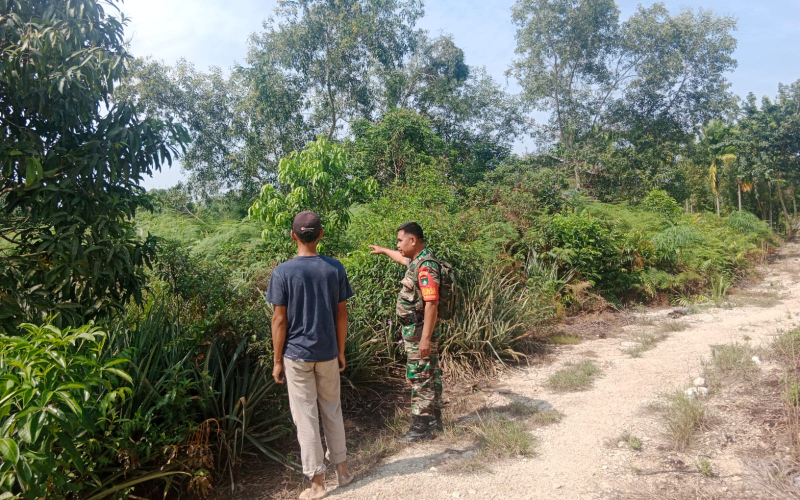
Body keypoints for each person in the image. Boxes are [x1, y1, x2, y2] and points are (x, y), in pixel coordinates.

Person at [266, 211, 354, 500]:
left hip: (296, 355)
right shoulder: (334, 268)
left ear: (293, 235)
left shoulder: (283, 272)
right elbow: (342, 314)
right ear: (321, 234)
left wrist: (277, 361)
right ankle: (342, 471)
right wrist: (340, 351)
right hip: (328, 353)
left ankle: (317, 484)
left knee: (306, 418)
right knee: (332, 410)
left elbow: (279, 320)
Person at [369, 222, 443, 443]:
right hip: (417, 329)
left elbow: (432, 304)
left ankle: (421, 427)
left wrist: (425, 339)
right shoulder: (417, 260)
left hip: (419, 329)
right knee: (429, 372)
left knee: (420, 374)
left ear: (413, 240)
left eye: (400, 240)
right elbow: (402, 258)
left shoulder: (426, 267)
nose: (397, 244)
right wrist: (383, 250)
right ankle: (434, 420)